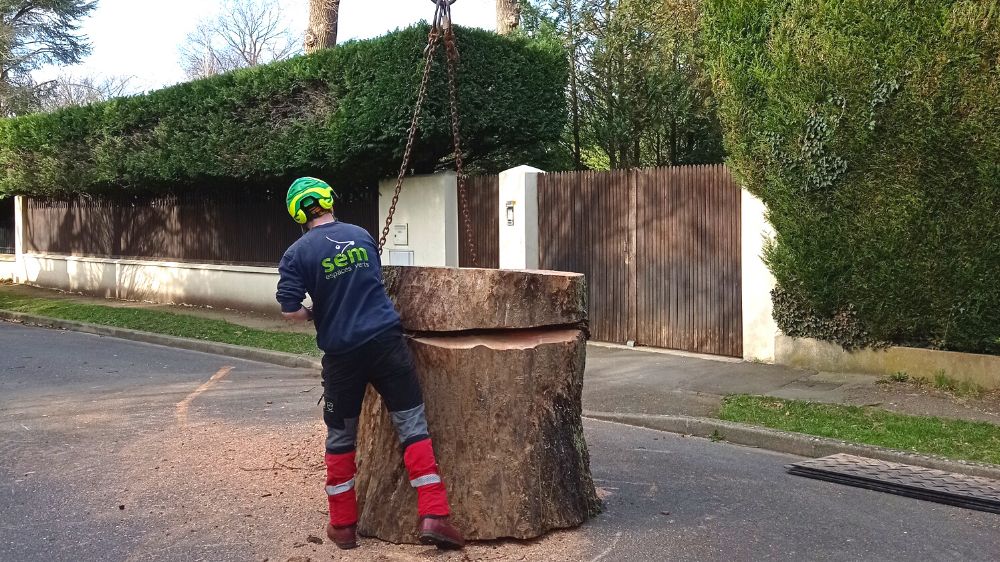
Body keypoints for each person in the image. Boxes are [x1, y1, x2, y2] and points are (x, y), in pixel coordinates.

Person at [275, 177, 465, 551]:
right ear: (329, 200)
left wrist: (315, 313)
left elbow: (290, 309)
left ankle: (343, 525)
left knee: (341, 437)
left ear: (297, 213)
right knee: (412, 426)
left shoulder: (296, 254)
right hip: (386, 344)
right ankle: (435, 515)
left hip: (342, 357)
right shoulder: (361, 235)